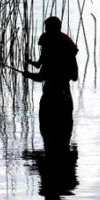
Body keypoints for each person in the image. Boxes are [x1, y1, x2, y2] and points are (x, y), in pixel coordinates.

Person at [23, 16, 78, 154]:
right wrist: (31, 63)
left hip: (50, 97)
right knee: (64, 137)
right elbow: (74, 76)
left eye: (47, 29)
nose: (45, 31)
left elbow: (42, 76)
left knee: (48, 134)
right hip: (66, 95)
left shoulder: (51, 44)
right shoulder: (67, 43)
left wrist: (28, 75)